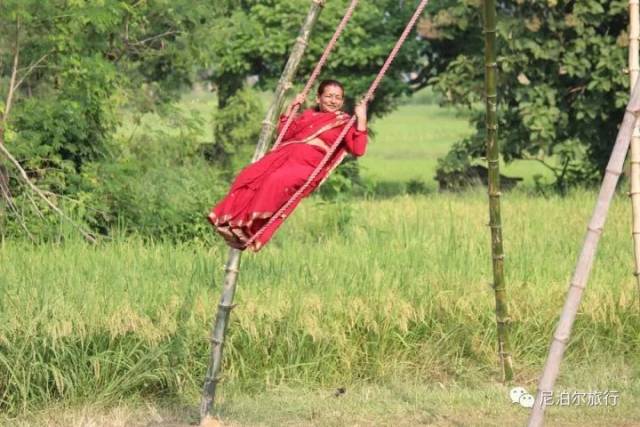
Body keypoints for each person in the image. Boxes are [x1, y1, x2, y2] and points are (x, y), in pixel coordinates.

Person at [208, 79, 369, 251]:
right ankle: (230, 222)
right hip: (283, 156)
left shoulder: (344, 122)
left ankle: (249, 229)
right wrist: (292, 109)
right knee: (249, 175)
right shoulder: (308, 116)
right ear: (318, 98)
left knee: (276, 180)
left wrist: (362, 119)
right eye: (328, 96)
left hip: (308, 164)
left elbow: (358, 150)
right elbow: (284, 133)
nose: (333, 101)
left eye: (337, 97)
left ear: (342, 102)